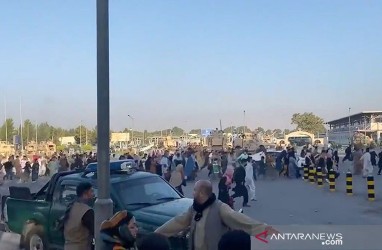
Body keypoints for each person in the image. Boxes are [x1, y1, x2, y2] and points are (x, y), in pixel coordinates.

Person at [155, 180, 277, 250]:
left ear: (202, 193)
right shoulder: (194, 208)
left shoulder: (220, 208)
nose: (192, 193)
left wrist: (267, 230)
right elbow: (178, 222)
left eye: (194, 190)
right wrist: (157, 234)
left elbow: (242, 221)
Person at [61, 182, 95, 250]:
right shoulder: (87, 211)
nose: (93, 194)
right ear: (85, 193)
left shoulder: (71, 207)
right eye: (91, 191)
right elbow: (95, 231)